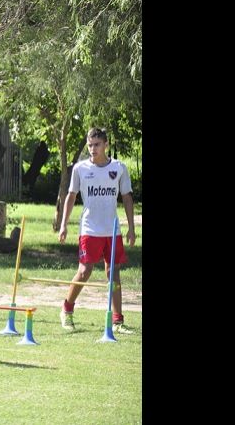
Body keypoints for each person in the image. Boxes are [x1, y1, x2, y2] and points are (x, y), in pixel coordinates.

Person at [58, 127, 137, 334]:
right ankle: (66, 310)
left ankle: (117, 322)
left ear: (106, 145)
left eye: (97, 145)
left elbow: (127, 198)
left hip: (112, 230)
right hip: (89, 229)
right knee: (85, 271)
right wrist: (64, 224)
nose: (92, 149)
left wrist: (131, 228)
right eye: (90, 145)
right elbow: (71, 196)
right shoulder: (80, 168)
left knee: (114, 274)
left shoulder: (119, 168)